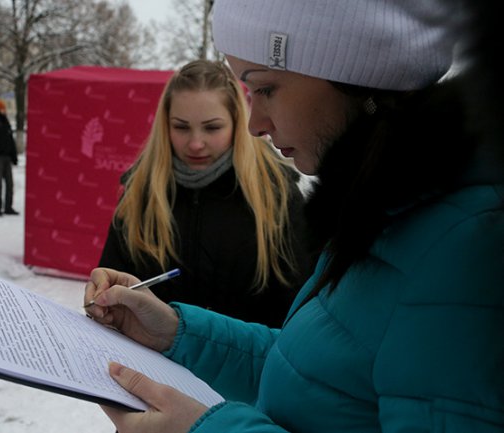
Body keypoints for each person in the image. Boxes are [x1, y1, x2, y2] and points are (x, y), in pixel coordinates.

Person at [83, 1, 504, 432]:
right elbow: (312, 372)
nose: (255, 124)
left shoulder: (464, 244)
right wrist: (177, 334)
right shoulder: (382, 212)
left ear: (355, 73)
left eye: (265, 89)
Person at [98, 59, 313, 327]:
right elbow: (114, 281)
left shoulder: (276, 193)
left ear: (237, 122)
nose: (196, 143)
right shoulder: (141, 190)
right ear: (165, 124)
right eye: (181, 127)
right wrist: (104, 296)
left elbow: (299, 309)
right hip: (147, 364)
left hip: (244, 365)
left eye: (212, 128)